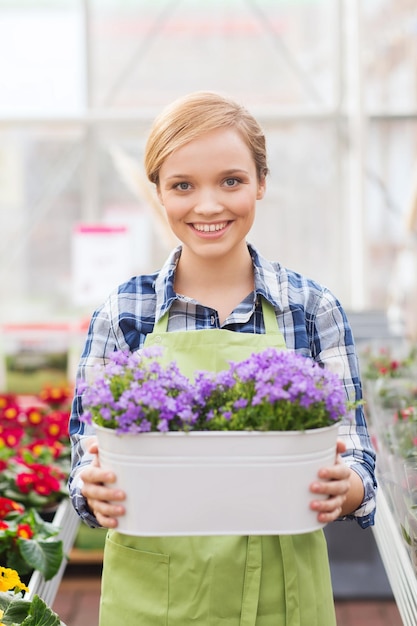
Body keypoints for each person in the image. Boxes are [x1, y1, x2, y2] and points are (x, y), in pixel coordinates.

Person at [68, 91, 377, 626]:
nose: (208, 205)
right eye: (183, 185)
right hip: (156, 597)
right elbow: (85, 460)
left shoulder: (311, 309)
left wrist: (342, 489)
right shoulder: (123, 313)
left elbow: (359, 460)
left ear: (261, 182)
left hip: (285, 597)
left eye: (231, 181)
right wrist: (92, 488)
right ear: (159, 193)